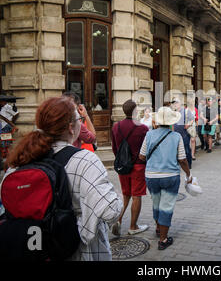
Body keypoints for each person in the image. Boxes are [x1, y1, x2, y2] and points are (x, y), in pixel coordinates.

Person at [5, 96, 123, 260]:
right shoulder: (85, 161)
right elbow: (111, 211)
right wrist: (117, 195)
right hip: (80, 252)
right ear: (71, 127)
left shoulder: (18, 163)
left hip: (33, 251)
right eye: (79, 119)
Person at [138, 107, 192, 250]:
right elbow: (182, 159)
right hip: (170, 177)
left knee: (156, 203)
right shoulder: (176, 137)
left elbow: (141, 156)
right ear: (171, 123)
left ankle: (158, 228)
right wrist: (188, 174)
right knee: (166, 207)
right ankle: (163, 239)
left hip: (151, 176)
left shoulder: (149, 135)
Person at [111, 100, 149, 236]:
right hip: (138, 165)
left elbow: (115, 148)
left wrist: (122, 160)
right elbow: (146, 148)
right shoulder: (142, 128)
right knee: (136, 196)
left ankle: (118, 220)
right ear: (135, 111)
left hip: (123, 166)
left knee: (125, 194)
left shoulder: (116, 127)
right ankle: (133, 226)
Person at [173, 98, 193, 168]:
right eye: (174, 103)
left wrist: (188, 124)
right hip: (175, 133)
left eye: (176, 103)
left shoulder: (186, 111)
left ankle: (188, 164)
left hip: (184, 133)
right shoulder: (174, 112)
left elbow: (192, 119)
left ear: (180, 103)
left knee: (186, 149)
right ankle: (178, 164)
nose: (175, 104)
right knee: (176, 150)